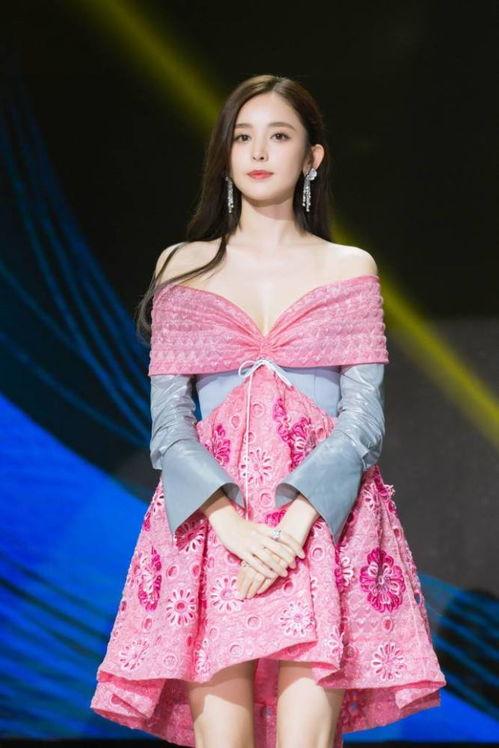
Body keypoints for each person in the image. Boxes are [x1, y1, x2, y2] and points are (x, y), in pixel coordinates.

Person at [90, 74, 446, 748]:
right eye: (242, 137)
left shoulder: (348, 267)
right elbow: (169, 423)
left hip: (322, 526)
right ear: (224, 154)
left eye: (278, 136)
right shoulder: (182, 265)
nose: (257, 152)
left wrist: (294, 527)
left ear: (312, 156)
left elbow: (362, 421)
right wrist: (229, 524)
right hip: (211, 527)